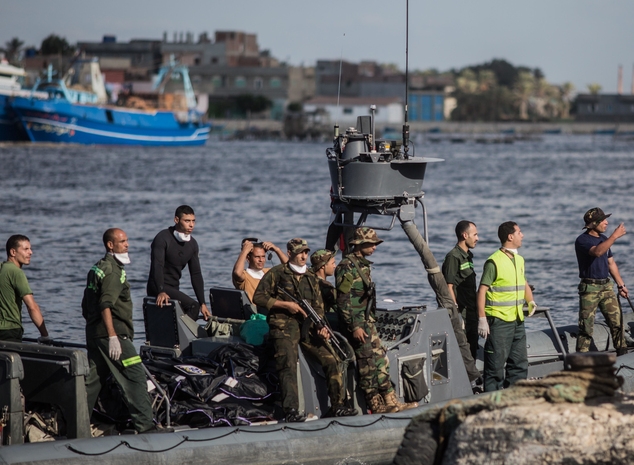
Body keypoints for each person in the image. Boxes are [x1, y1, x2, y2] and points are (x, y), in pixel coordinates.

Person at [253, 238, 356, 421]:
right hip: (284, 325)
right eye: (300, 252)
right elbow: (258, 297)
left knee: (332, 358)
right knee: (288, 363)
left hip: (308, 326)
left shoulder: (310, 277)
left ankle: (338, 406)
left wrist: (321, 326)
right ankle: (290, 410)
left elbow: (317, 306)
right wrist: (285, 305)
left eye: (306, 252)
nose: (303, 256)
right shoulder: (277, 273)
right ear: (290, 253)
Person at [335, 227, 417, 413]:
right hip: (356, 324)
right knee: (366, 363)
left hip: (367, 322)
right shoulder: (347, 266)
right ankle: (375, 404)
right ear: (360, 244)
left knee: (380, 360)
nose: (374, 247)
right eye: (371, 244)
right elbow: (343, 300)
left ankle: (391, 401)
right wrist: (355, 326)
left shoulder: (363, 265)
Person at [82, 228, 155, 433]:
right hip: (113, 336)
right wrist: (113, 336)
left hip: (96, 335)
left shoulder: (98, 268)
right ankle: (146, 426)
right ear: (110, 245)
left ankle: (76, 426)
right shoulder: (113, 271)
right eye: (122, 241)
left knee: (92, 383)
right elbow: (106, 304)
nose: (127, 244)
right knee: (135, 377)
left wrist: (97, 332)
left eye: (127, 240)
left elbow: (86, 305)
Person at [477, 221, 536, 392]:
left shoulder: (519, 259)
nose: (522, 235)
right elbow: (481, 291)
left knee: (519, 364)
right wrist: (482, 319)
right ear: (510, 237)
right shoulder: (493, 261)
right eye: (519, 232)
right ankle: (491, 401)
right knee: (495, 366)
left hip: (517, 319)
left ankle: (514, 398)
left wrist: (530, 300)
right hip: (499, 321)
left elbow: (523, 281)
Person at [575, 207, 628, 355]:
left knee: (617, 323)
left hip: (607, 287)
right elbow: (597, 252)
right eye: (603, 220)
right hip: (589, 288)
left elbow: (611, 263)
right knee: (586, 327)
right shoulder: (582, 240)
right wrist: (614, 236)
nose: (606, 222)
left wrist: (621, 285)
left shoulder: (604, 240)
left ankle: (622, 354)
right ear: (593, 224)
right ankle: (581, 359)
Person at [147, 205, 211, 321]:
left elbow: (196, 274)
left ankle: (180, 335)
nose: (191, 225)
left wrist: (203, 303)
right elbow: (157, 266)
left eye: (193, 221)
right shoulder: (162, 238)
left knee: (194, 307)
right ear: (176, 220)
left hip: (174, 287)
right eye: (187, 221)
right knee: (193, 306)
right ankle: (180, 336)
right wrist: (160, 291)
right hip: (157, 286)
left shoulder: (192, 244)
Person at [0, 235, 49, 342]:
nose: (30, 252)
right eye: (26, 249)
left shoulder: (2, 268)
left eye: (30, 249)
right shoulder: (16, 272)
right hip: (10, 331)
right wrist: (45, 336)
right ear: (13, 252)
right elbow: (32, 307)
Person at [442, 220, 480, 360]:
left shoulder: (468, 256)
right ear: (465, 235)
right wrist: (456, 314)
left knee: (473, 349)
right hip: (461, 314)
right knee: (461, 352)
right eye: (475, 235)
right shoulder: (453, 257)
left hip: (471, 312)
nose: (477, 238)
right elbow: (448, 287)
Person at [310, 249, 337, 313]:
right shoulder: (325, 286)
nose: (334, 266)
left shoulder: (309, 279)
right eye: (332, 263)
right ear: (322, 266)